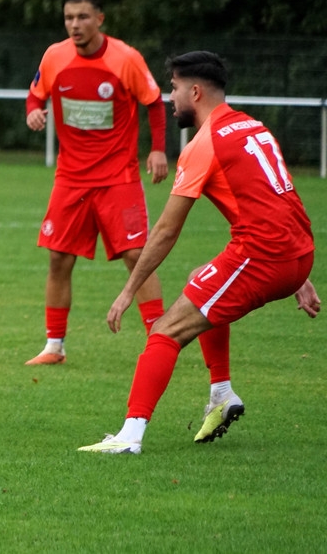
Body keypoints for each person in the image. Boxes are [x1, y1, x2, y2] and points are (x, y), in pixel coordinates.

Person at [79, 51, 319, 454]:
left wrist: (127, 291)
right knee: (199, 279)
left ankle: (129, 436)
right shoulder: (253, 127)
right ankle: (221, 393)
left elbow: (166, 230)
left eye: (173, 88)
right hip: (295, 252)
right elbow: (276, 201)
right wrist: (297, 272)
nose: (170, 98)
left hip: (265, 256)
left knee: (165, 331)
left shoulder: (204, 144)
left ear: (194, 92)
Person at [24, 0, 168, 365]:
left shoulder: (126, 58)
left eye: (83, 17)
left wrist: (157, 149)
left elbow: (154, 102)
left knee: (137, 255)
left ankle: (159, 341)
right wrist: (33, 111)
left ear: (100, 19)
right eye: (69, 17)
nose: (75, 25)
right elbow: (35, 94)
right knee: (58, 258)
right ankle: (54, 346)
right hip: (70, 177)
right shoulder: (55, 56)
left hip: (118, 176)